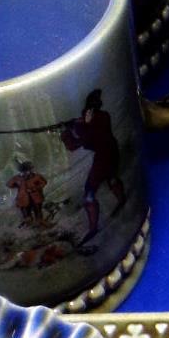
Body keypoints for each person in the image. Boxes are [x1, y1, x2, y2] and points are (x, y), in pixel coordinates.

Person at [60, 89, 126, 240]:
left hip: (104, 156)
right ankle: (122, 201)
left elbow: (79, 142)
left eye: (90, 110)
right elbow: (80, 139)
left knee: (90, 193)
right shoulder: (97, 118)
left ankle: (94, 229)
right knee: (112, 178)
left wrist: (67, 132)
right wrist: (70, 128)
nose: (87, 113)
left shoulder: (99, 119)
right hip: (109, 152)